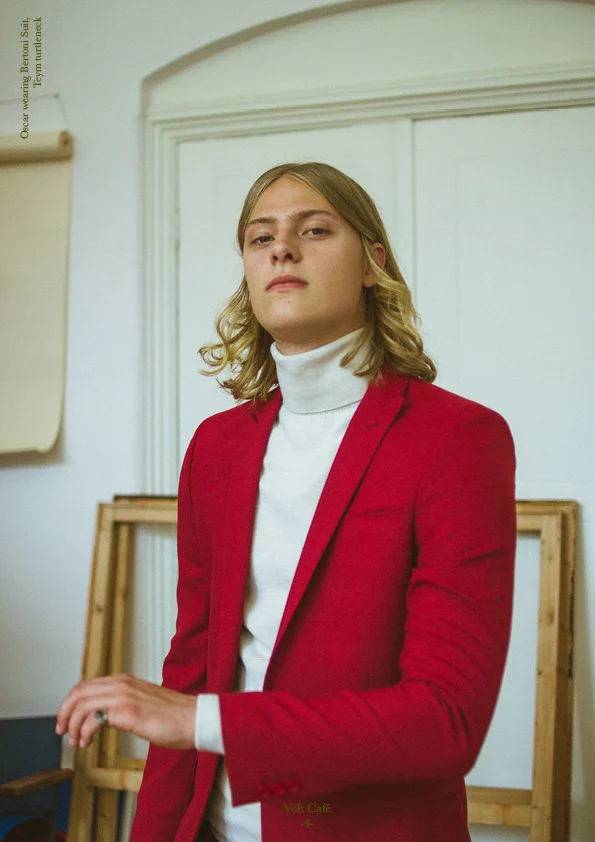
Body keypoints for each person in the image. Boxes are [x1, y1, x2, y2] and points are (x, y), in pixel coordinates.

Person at [56, 162, 517, 842]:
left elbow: (444, 722)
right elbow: (190, 668)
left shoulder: (456, 439)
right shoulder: (217, 447)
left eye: (315, 230)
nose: (282, 249)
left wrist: (198, 720)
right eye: (260, 236)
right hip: (212, 826)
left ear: (373, 263)